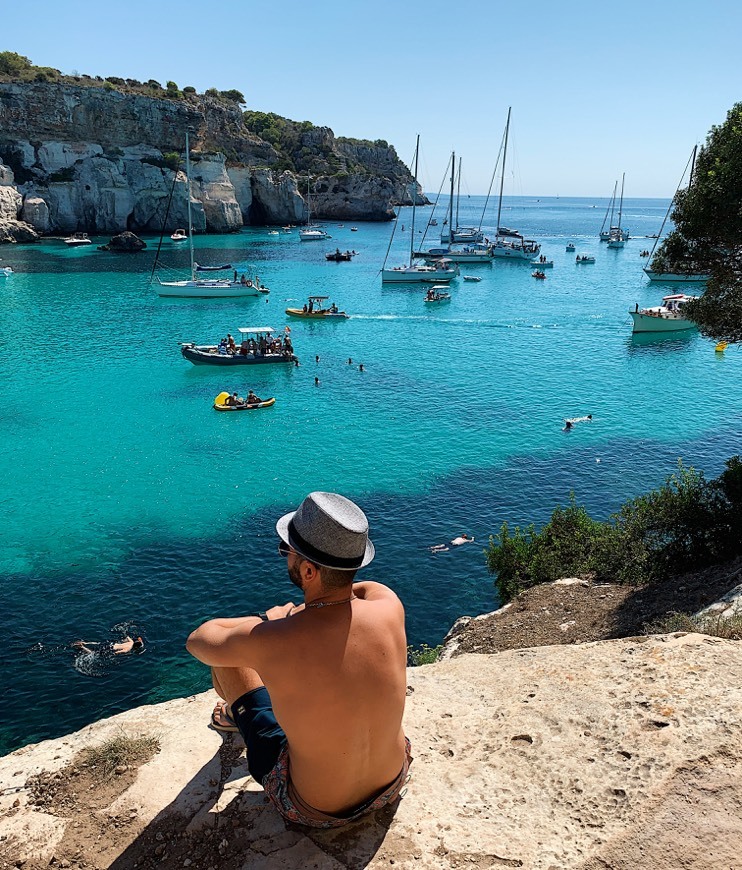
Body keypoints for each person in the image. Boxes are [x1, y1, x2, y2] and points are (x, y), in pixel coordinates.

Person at [186, 492, 411, 829]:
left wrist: (267, 621)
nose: (283, 556)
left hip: (314, 809)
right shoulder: (388, 604)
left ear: (308, 569)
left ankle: (236, 714)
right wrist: (300, 612)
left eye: (285, 551)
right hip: (392, 782)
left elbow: (200, 640)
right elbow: (354, 592)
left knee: (230, 660)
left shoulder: (275, 640)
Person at [73, 636, 144, 655]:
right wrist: (113, 654)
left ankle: (85, 643)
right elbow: (117, 652)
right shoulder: (128, 649)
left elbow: (127, 637)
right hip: (110, 648)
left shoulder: (131, 642)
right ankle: (82, 647)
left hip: (111, 643)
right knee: (93, 653)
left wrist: (123, 641)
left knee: (98, 643)